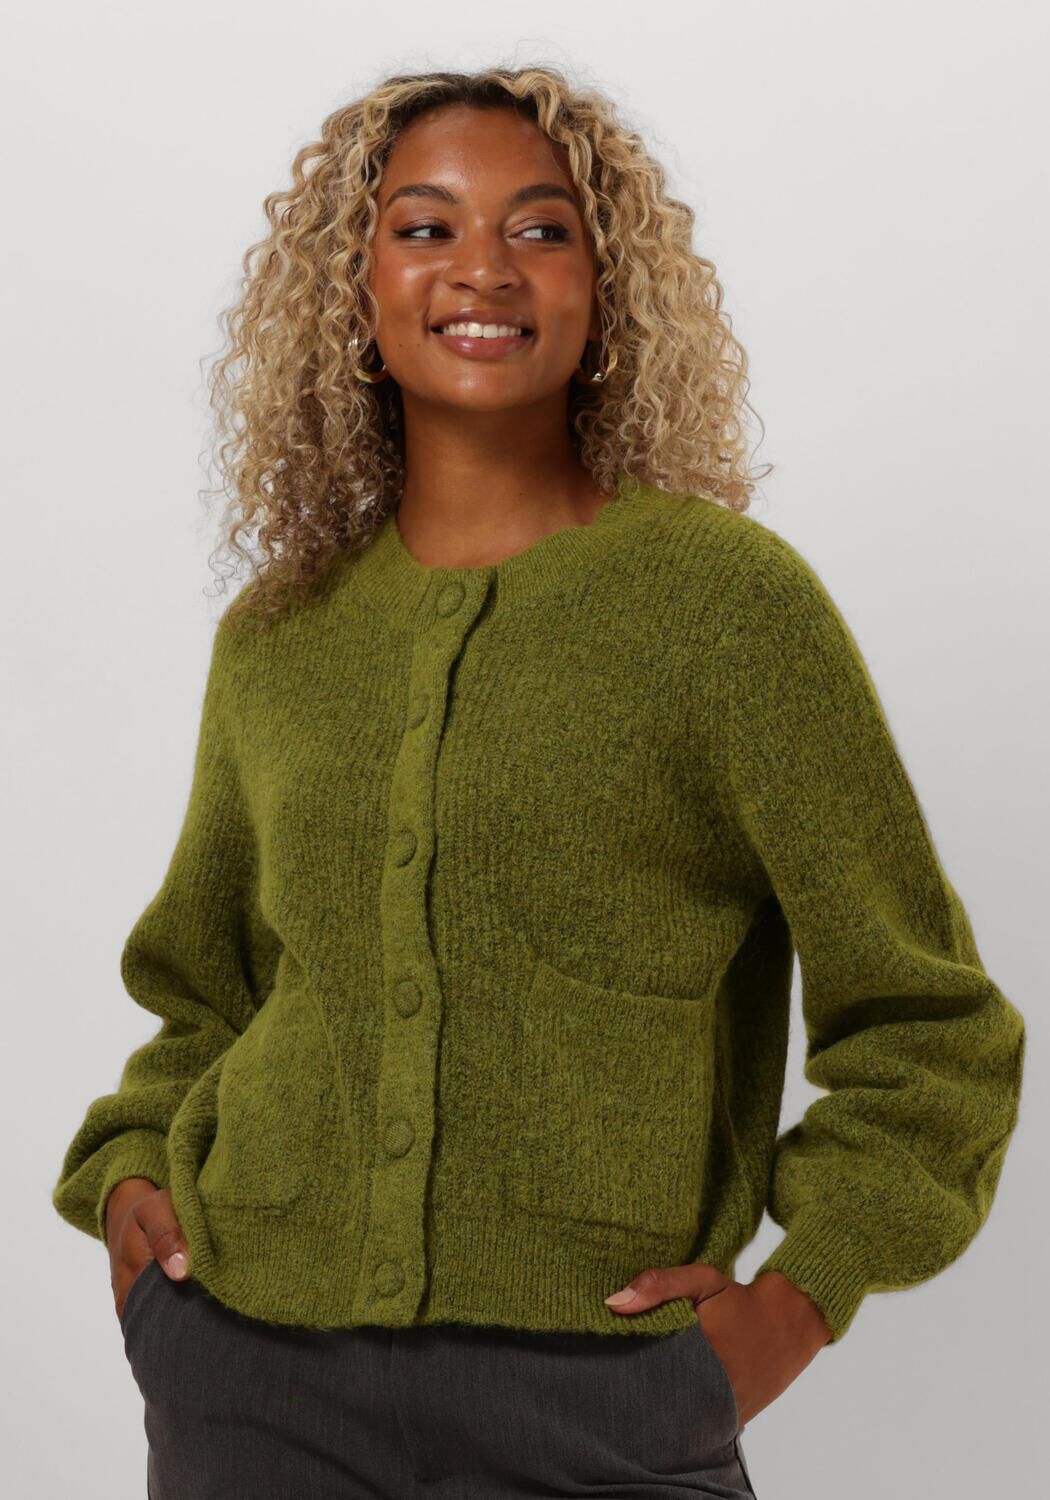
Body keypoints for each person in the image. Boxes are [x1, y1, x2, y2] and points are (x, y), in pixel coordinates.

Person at [52, 63, 1026, 1499]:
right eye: (424, 228)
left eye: (541, 228)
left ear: (603, 284)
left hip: (604, 1402)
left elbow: (930, 1027)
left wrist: (793, 1302)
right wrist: (137, 1180)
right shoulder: (280, 632)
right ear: (356, 291)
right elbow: (208, 994)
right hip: (247, 1373)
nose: (484, 269)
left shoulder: (726, 608)